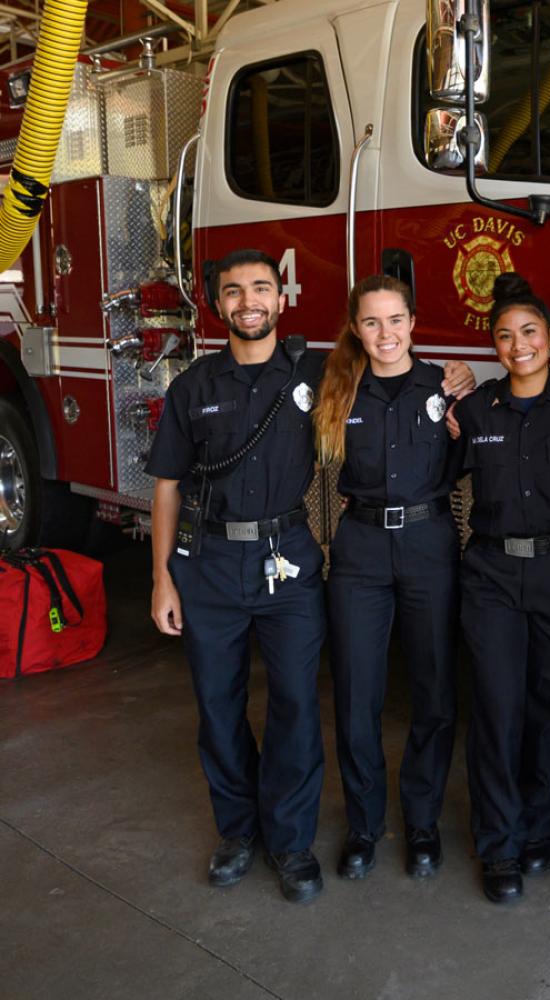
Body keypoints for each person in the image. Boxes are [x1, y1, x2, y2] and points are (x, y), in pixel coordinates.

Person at [148, 248, 327, 903]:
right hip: (211, 569)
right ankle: (238, 832)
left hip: (290, 564)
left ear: (282, 299)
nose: (248, 301)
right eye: (233, 291)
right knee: (219, 708)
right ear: (216, 305)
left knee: (296, 707)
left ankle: (288, 840)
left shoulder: (318, 372)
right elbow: (167, 488)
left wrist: (450, 382)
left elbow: (392, 374)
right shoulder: (193, 387)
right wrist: (163, 580)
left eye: (260, 288)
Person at [313, 274, 463, 881]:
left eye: (395, 320)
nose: (385, 334)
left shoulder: (444, 387)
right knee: (357, 694)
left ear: (413, 322)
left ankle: (422, 821)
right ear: (356, 327)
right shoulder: (336, 390)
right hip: (362, 549)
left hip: (429, 543)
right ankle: (364, 824)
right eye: (371, 322)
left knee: (434, 690)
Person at [452, 273, 550, 904]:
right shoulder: (477, 411)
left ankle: (537, 825)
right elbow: (439, 471)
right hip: (493, 577)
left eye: (529, 332)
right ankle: (499, 843)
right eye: (504, 336)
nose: (517, 345)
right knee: (497, 710)